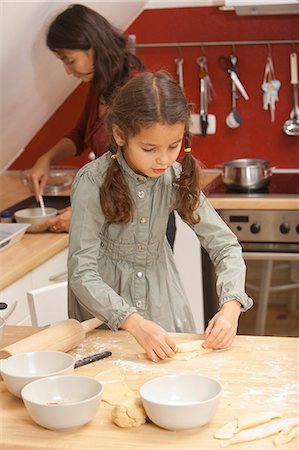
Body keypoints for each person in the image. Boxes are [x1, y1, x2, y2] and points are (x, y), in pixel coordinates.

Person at [68, 70, 253, 362]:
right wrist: (132, 322)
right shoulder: (92, 182)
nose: (164, 159)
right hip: (103, 315)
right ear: (119, 134)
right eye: (149, 148)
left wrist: (231, 306)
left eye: (173, 145)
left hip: (162, 303)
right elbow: (81, 273)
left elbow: (225, 246)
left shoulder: (175, 177)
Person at [26, 4, 144, 233]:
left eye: (69, 60)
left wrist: (87, 213)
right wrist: (46, 158)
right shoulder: (100, 86)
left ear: (94, 47)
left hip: (140, 224)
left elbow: (141, 179)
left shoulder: (136, 91)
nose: (67, 71)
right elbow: (80, 135)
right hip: (114, 214)